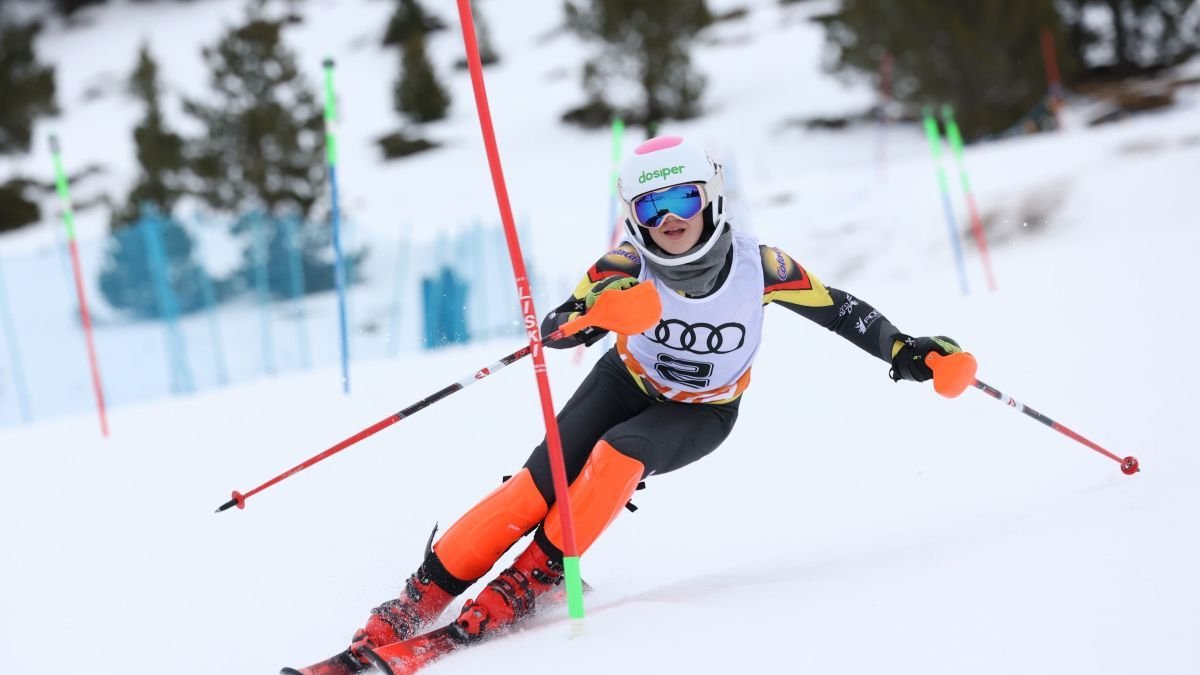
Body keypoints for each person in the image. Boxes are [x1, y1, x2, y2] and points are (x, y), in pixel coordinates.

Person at [295, 136, 962, 674]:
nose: (670, 219)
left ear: (711, 198)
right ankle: (420, 598)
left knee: (617, 455)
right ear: (633, 216)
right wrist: (590, 317)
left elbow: (840, 309)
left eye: (683, 198)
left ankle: (531, 577)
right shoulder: (623, 264)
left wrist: (909, 351)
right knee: (535, 485)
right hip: (623, 379)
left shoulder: (762, 265)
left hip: (701, 411)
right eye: (652, 207)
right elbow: (564, 320)